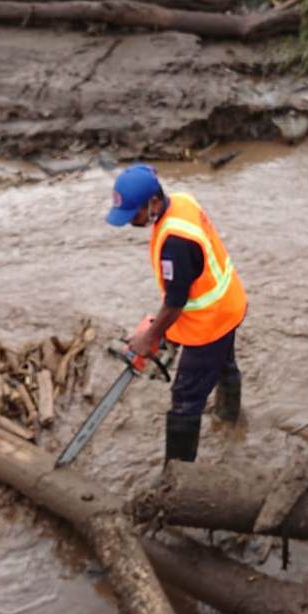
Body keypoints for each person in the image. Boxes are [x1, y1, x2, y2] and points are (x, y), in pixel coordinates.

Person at [105, 163, 247, 463]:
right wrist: (161, 330)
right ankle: (229, 419)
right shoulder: (181, 201)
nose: (132, 221)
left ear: (154, 202)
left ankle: (178, 478)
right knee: (224, 365)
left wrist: (151, 337)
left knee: (185, 399)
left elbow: (176, 300)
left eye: (135, 214)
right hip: (228, 303)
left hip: (210, 323)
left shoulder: (175, 242)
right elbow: (184, 287)